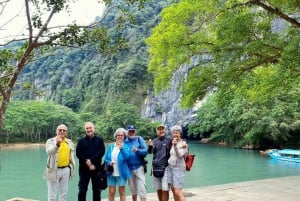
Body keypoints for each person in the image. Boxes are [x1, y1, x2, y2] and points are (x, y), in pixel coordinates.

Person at [43, 124, 75, 201]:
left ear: (66, 132)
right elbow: (50, 152)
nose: (62, 131)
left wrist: (71, 168)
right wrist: (57, 144)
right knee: (51, 196)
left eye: (64, 130)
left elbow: (71, 156)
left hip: (66, 170)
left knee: (63, 195)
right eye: (60, 130)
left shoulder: (69, 142)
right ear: (56, 131)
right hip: (54, 169)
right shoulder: (50, 141)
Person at [76, 122, 106, 201]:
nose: (89, 130)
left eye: (90, 128)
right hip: (83, 170)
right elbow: (78, 153)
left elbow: (101, 152)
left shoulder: (100, 140)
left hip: (96, 169)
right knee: (82, 189)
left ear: (94, 129)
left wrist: (91, 161)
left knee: (96, 190)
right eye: (87, 128)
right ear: (85, 130)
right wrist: (87, 162)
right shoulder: (81, 141)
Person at [104, 128, 131, 201]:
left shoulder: (126, 146)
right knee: (111, 192)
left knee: (122, 191)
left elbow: (127, 157)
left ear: (124, 136)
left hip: (121, 173)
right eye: (118, 135)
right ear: (116, 136)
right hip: (111, 172)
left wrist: (121, 148)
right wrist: (109, 162)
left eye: (121, 135)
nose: (119, 136)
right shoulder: (111, 146)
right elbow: (105, 159)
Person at [147, 125, 172, 201]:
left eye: (162, 129)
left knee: (165, 189)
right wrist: (150, 146)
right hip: (155, 168)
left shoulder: (169, 141)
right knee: (158, 189)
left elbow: (180, 140)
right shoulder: (154, 141)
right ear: (157, 132)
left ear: (165, 130)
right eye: (159, 130)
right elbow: (150, 152)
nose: (161, 131)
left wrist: (184, 143)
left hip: (165, 167)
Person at [124, 125, 148, 201]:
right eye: (129, 131)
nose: (131, 133)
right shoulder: (124, 141)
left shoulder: (139, 139)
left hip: (139, 167)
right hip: (129, 168)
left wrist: (137, 150)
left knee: (142, 189)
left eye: (133, 131)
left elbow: (145, 151)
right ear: (127, 132)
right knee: (133, 189)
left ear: (135, 131)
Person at [167, 125, 188, 201]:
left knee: (178, 191)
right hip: (170, 168)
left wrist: (175, 146)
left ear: (180, 134)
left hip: (179, 168)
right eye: (174, 133)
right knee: (173, 189)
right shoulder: (172, 142)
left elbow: (180, 155)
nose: (175, 134)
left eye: (177, 133)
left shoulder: (184, 144)